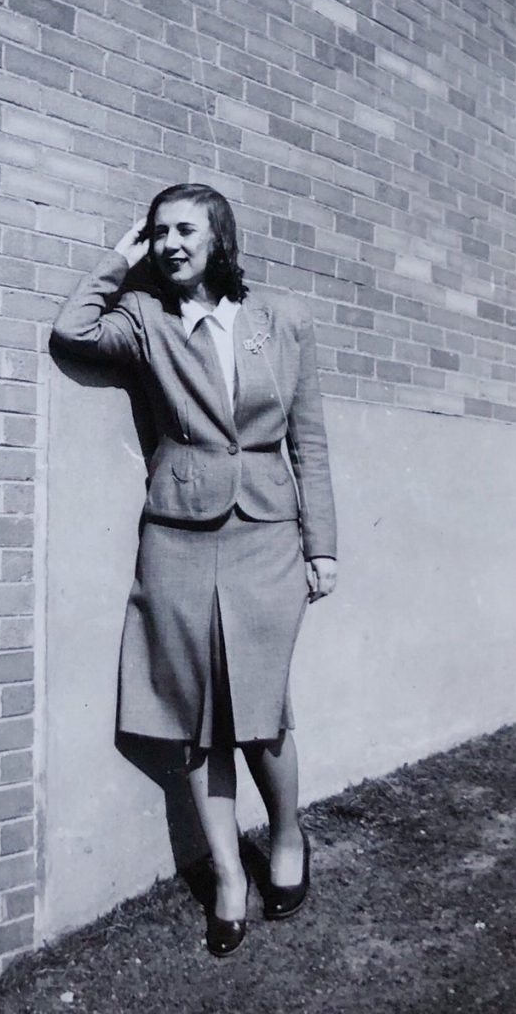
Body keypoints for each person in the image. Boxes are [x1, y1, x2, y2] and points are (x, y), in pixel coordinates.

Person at [52, 183, 337, 957]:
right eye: (159, 231)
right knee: (193, 721)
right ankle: (228, 877)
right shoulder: (145, 320)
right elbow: (71, 329)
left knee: (261, 708)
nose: (171, 242)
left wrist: (323, 545)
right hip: (178, 537)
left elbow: (307, 440)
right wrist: (120, 257)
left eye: (186, 229)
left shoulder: (284, 322)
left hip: (269, 536)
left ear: (220, 238)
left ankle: (285, 838)